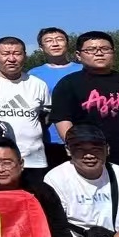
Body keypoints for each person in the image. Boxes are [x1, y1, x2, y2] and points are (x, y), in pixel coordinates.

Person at [50, 31, 119, 204]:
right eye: (91, 50)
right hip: (95, 161)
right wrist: (79, 153)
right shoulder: (68, 84)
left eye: (105, 48)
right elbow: (63, 122)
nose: (99, 53)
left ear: (113, 52)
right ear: (78, 55)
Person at [0, 37, 52, 184]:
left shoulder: (38, 84)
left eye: (17, 53)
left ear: (25, 55)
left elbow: (45, 116)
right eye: (5, 54)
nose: (11, 59)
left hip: (34, 161)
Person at [29, 27, 82, 168]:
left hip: (82, 137)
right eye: (49, 40)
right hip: (49, 139)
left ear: (67, 43)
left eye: (59, 39)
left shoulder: (83, 69)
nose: (55, 43)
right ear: (41, 47)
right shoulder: (33, 75)